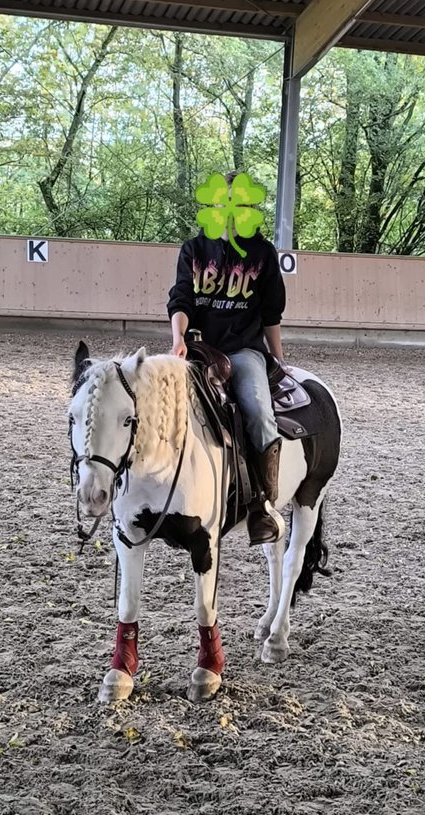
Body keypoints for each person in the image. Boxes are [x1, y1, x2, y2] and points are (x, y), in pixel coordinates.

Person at [166, 172, 287, 546]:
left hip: (243, 349)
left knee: (258, 412)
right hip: (198, 348)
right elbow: (181, 299)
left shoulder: (262, 254)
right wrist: (178, 339)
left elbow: (271, 314)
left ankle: (262, 506)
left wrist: (278, 360)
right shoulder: (194, 249)